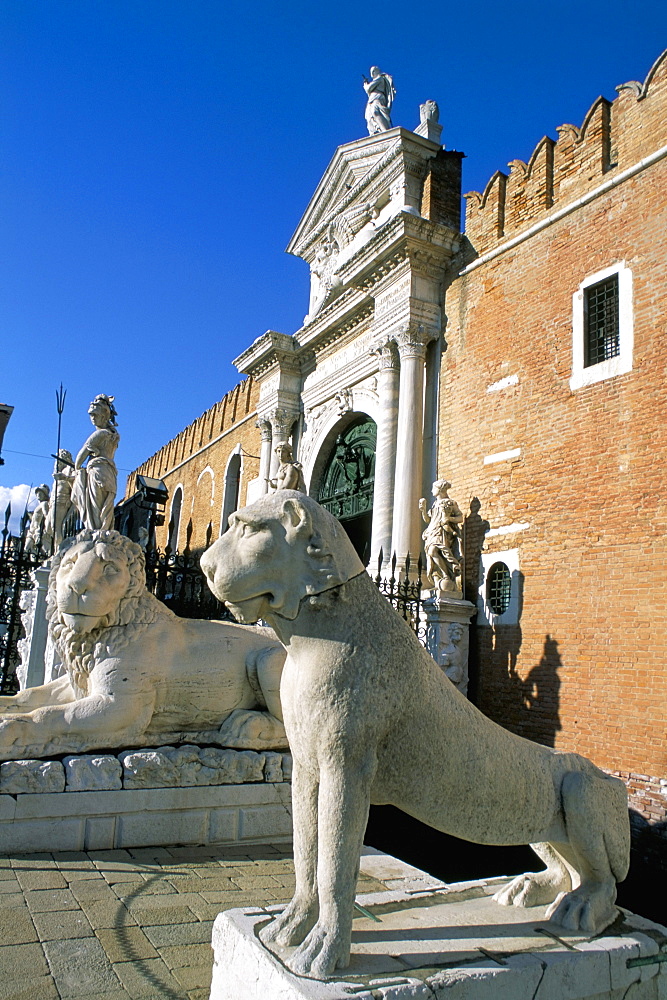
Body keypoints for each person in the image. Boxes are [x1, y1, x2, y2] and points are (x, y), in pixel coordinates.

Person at [72, 394, 119, 531]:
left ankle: (96, 533)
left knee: (94, 508)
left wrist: (77, 469)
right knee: (106, 505)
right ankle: (104, 532)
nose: (92, 418)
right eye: (91, 415)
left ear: (104, 415)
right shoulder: (114, 435)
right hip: (110, 474)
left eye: (95, 415)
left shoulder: (99, 434)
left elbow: (81, 455)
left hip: (97, 472)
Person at [419, 479, 463, 594]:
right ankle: (438, 579)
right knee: (431, 555)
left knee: (434, 551)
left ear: (440, 490)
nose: (432, 490)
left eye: (434, 488)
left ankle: (446, 575)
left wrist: (449, 518)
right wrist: (423, 510)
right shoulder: (434, 504)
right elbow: (428, 520)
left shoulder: (450, 502)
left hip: (442, 532)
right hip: (432, 531)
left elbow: (460, 518)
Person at [363, 66, 395, 135]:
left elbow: (369, 88)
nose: (372, 73)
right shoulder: (377, 79)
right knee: (369, 115)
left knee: (375, 111)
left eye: (373, 71)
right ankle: (376, 131)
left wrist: (366, 86)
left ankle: (385, 131)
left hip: (377, 97)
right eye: (371, 72)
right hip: (372, 98)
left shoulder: (380, 78)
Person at [25, 485, 51, 556]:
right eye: (37, 493)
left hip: (38, 531)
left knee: (46, 551)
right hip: (31, 531)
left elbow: (47, 515)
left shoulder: (44, 504)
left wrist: (47, 529)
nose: (38, 494)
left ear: (44, 495)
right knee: (27, 549)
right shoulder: (37, 506)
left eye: (41, 493)